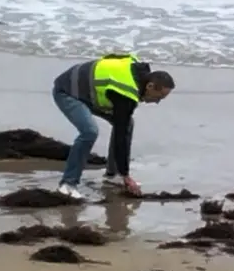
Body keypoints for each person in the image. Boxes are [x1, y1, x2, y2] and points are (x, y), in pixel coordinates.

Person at [52, 53, 175, 199]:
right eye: (158, 97)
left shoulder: (136, 70)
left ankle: (112, 175)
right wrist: (127, 175)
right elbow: (120, 136)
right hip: (67, 91)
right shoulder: (125, 92)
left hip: (90, 92)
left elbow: (111, 57)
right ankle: (67, 184)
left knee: (128, 123)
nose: (157, 102)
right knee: (89, 132)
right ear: (150, 86)